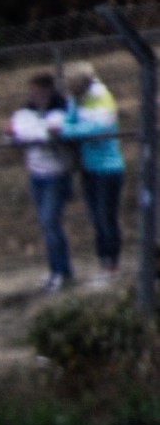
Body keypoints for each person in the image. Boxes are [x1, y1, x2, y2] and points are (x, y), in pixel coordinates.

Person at [55, 61, 126, 287]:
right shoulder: (78, 100)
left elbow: (98, 129)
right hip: (89, 168)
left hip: (108, 168)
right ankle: (103, 264)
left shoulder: (101, 97)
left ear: (81, 82)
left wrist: (66, 131)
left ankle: (112, 266)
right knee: (96, 219)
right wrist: (68, 127)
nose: (68, 89)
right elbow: (70, 121)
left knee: (107, 219)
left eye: (71, 84)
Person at [8, 72, 74, 292]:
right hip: (37, 174)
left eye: (39, 91)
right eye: (32, 91)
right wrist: (29, 132)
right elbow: (15, 133)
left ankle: (62, 272)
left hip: (56, 174)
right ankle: (57, 270)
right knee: (47, 225)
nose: (34, 95)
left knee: (50, 222)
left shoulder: (61, 109)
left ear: (48, 90)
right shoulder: (25, 112)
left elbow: (47, 135)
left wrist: (32, 132)